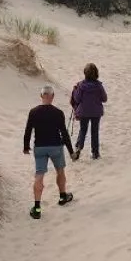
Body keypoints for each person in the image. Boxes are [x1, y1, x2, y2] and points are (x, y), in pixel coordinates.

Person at [23, 85, 75, 220]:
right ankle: (63, 196)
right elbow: (64, 133)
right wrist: (71, 151)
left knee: (39, 175)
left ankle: (37, 208)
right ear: (52, 97)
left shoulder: (33, 112)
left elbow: (28, 130)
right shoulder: (58, 113)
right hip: (56, 147)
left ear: (41, 96)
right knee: (60, 171)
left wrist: (25, 146)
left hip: (40, 147)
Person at [71, 63, 107, 160]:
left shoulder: (81, 85)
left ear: (85, 73)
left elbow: (77, 99)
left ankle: (78, 149)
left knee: (83, 130)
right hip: (96, 112)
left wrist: (75, 91)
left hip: (84, 111)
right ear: (96, 73)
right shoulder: (99, 86)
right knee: (94, 131)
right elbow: (104, 99)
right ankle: (95, 153)